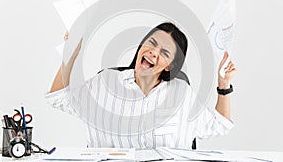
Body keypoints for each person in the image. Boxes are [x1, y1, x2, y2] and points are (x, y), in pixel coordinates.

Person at [46, 22, 237, 148]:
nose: (153, 52)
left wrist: (223, 85)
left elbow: (218, 125)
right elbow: (58, 98)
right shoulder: (105, 82)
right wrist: (70, 55)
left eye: (164, 52)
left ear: (170, 65)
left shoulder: (182, 94)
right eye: (151, 43)